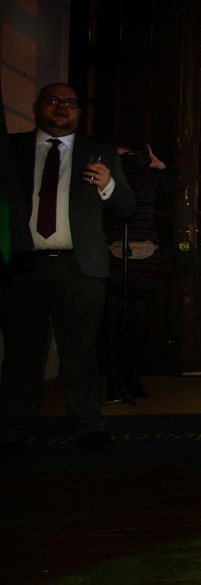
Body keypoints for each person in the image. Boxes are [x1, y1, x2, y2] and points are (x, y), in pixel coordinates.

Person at [0, 83, 135, 459]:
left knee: (81, 355)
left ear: (80, 112)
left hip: (81, 269)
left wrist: (108, 185)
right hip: (23, 267)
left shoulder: (101, 153)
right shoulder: (11, 150)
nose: (62, 108)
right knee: (20, 355)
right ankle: (10, 429)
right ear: (37, 106)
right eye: (53, 101)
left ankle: (88, 426)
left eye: (70, 103)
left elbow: (126, 207)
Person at [102, 144, 188, 404]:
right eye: (124, 156)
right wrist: (112, 161)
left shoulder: (150, 180)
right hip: (116, 256)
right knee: (112, 323)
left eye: (132, 155)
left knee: (140, 322)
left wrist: (159, 165)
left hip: (146, 256)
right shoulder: (109, 180)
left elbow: (182, 181)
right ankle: (113, 381)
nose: (130, 161)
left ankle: (133, 377)